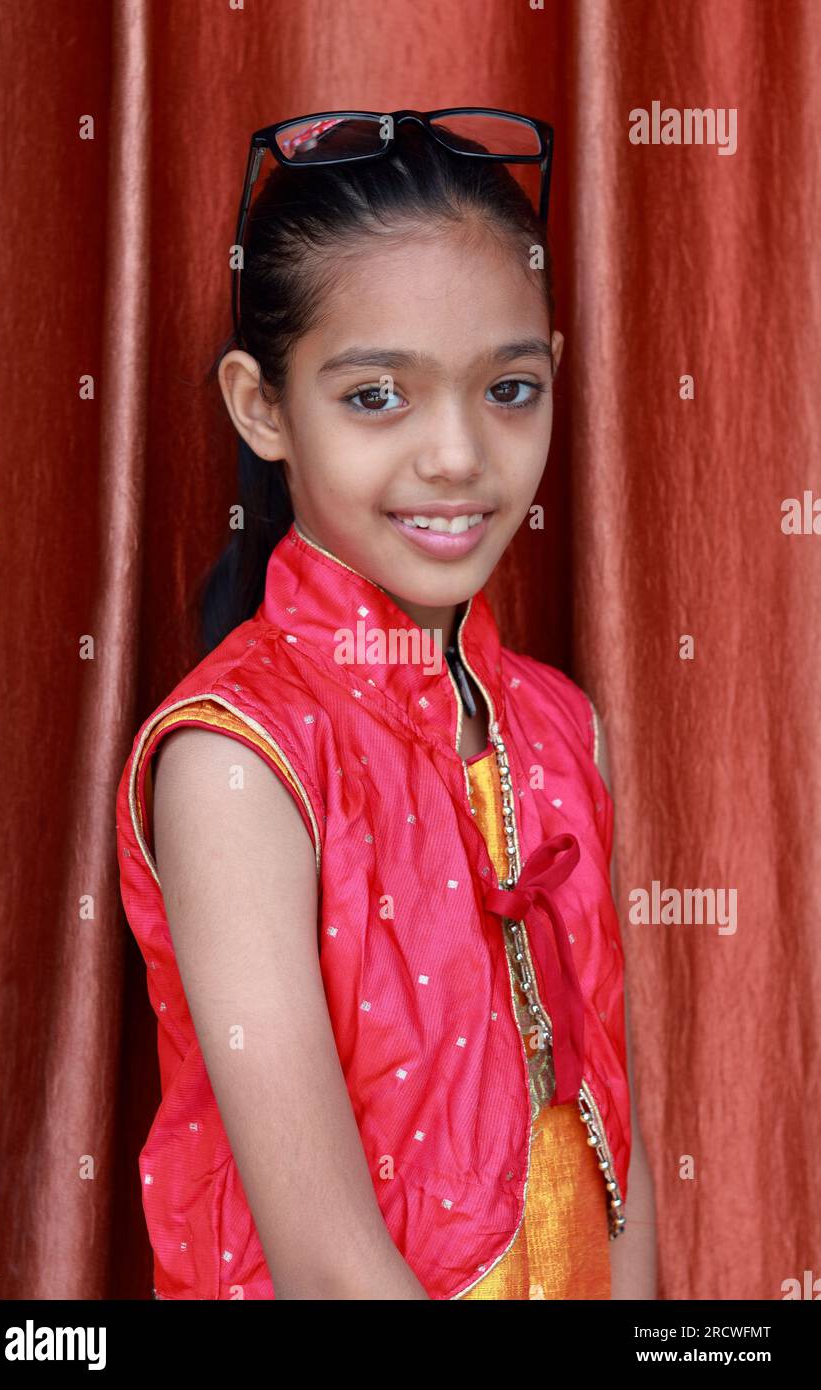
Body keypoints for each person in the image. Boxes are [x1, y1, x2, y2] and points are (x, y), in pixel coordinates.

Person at [115, 109, 657, 1300]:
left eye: (508, 387)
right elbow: (323, 1261)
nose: (458, 455)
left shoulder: (563, 728)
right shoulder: (238, 761)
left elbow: (616, 1155)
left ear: (555, 373)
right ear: (261, 406)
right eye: (376, 398)